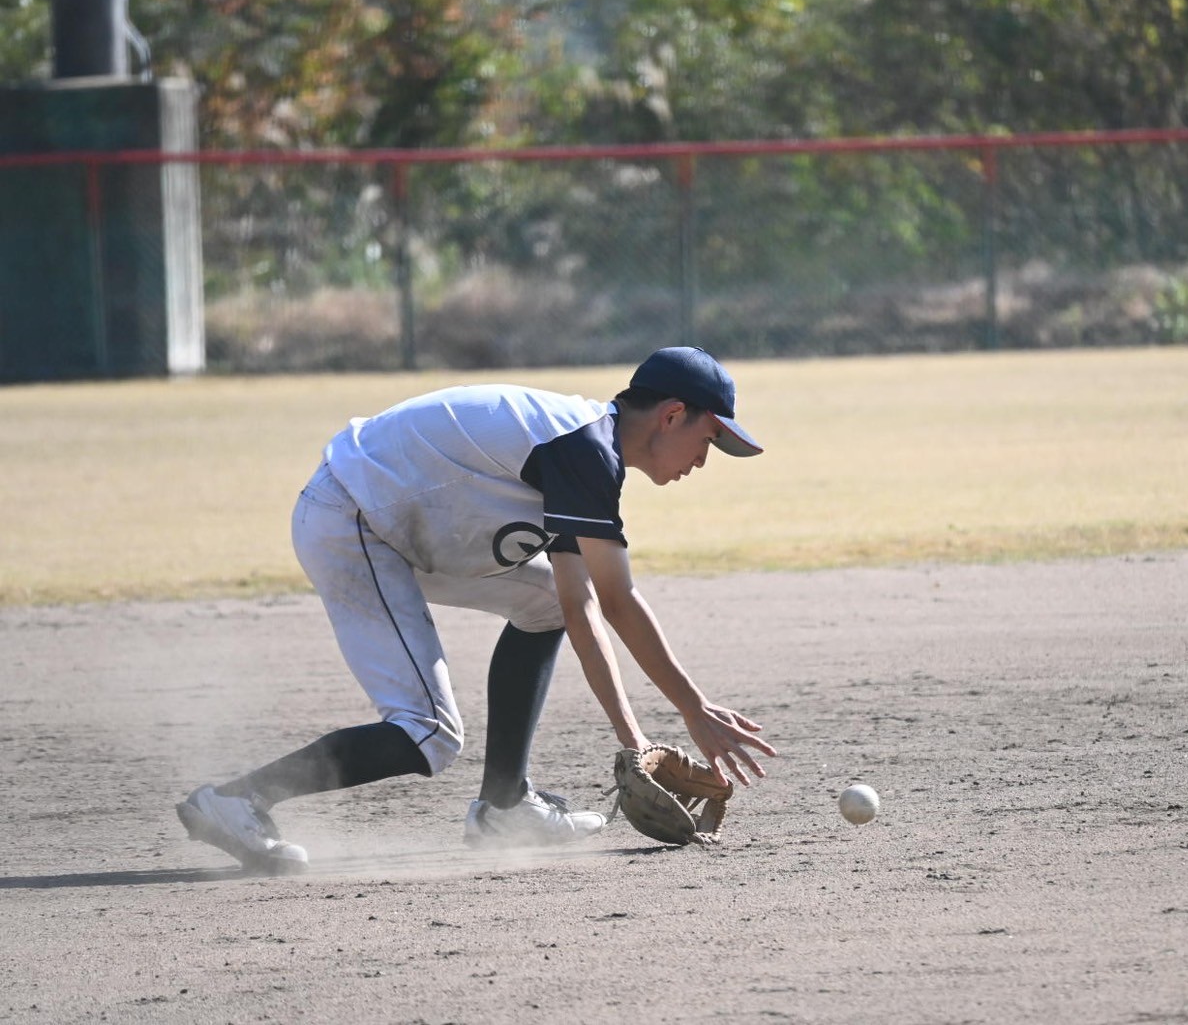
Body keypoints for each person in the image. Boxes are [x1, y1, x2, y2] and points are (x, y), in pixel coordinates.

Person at [177, 346, 777, 873]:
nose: (705, 459)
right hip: (353, 517)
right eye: (709, 439)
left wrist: (641, 740)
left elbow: (579, 602)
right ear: (673, 415)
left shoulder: (589, 451)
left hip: (398, 523)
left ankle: (504, 808)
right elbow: (614, 602)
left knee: (542, 604)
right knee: (430, 733)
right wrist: (682, 715)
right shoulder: (585, 447)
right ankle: (237, 799)